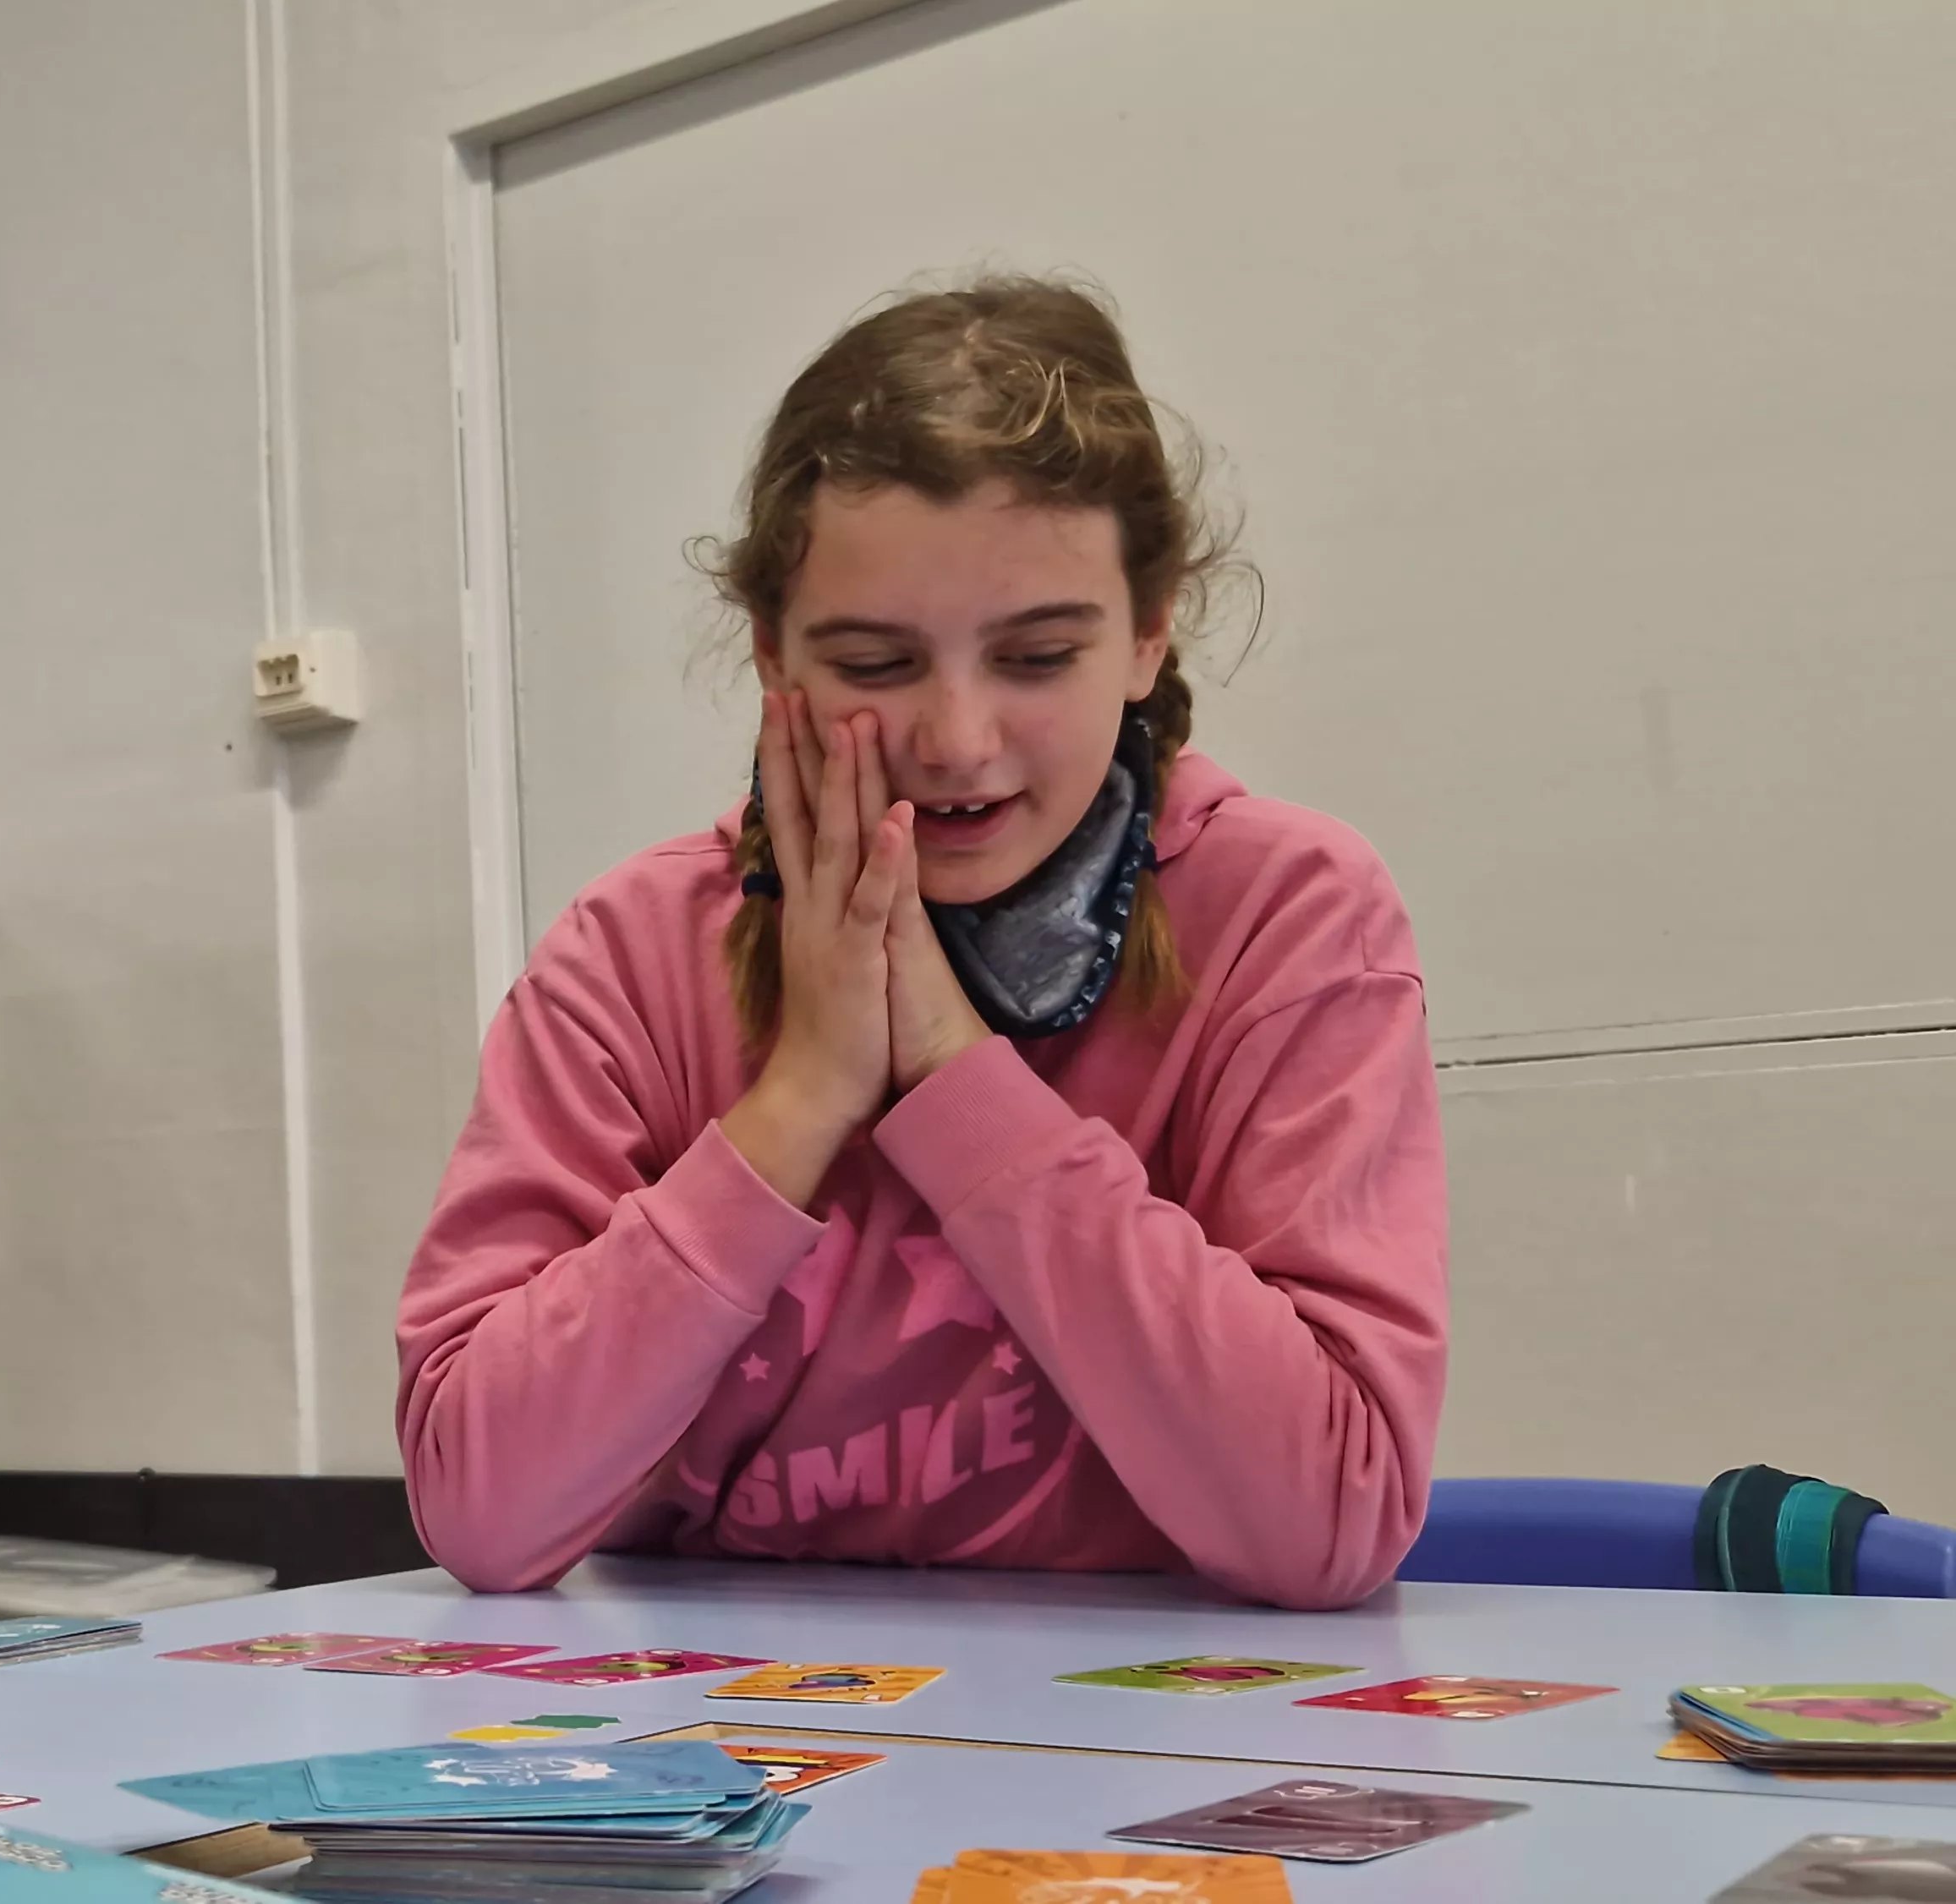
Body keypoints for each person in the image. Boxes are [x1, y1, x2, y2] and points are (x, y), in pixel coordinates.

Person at [397, 278, 1445, 1611]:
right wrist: (805, 1093)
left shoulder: (1291, 913)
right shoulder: (631, 951)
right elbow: (484, 1516)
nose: (954, 742)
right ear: (774, 653)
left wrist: (951, 1069)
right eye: (876, 666)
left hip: (1148, 1753)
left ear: (1149, 632)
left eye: (1038, 656)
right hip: (732, 1754)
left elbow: (1330, 1528)